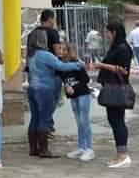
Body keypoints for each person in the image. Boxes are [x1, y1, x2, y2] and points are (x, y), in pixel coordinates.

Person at [27, 28, 84, 159]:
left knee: (34, 118)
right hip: (45, 89)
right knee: (44, 119)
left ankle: (33, 148)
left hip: (32, 88)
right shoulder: (46, 55)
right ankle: (44, 150)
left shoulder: (31, 55)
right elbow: (61, 66)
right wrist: (78, 65)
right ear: (42, 40)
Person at [93, 20, 134, 169]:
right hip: (110, 86)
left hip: (117, 88)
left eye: (108, 32)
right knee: (114, 120)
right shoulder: (115, 47)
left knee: (118, 121)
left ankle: (123, 154)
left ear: (115, 32)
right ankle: (119, 154)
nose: (107, 36)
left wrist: (102, 65)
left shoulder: (123, 48)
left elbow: (124, 70)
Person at [24, 9, 61, 138]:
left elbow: (28, 55)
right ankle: (46, 125)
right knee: (52, 99)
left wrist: (28, 71)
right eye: (54, 18)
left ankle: (42, 126)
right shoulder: (53, 33)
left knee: (36, 102)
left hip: (35, 72)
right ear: (50, 19)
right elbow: (57, 52)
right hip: (51, 72)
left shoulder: (32, 34)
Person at [58, 43, 95, 162]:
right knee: (79, 122)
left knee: (84, 121)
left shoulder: (75, 63)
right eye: (59, 48)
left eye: (64, 49)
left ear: (69, 51)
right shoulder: (59, 64)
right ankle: (82, 147)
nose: (61, 51)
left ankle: (89, 148)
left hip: (82, 94)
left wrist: (74, 87)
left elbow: (86, 79)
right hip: (72, 96)